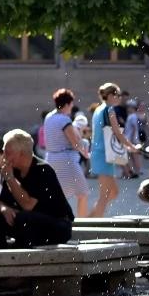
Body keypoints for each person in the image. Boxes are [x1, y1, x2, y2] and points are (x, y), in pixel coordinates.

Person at [0, 130, 74, 249]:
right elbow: (0, 202)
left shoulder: (43, 171)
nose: (4, 157)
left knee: (24, 218)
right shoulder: (13, 170)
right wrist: (4, 209)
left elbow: (28, 205)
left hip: (56, 225)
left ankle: (24, 257)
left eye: (8, 153)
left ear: (21, 154)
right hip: (27, 222)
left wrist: (10, 179)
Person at [88, 83, 138, 218]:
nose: (120, 98)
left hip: (101, 154)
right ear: (110, 96)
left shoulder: (99, 109)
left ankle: (88, 220)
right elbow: (117, 131)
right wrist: (131, 146)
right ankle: (94, 226)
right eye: (118, 95)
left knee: (113, 193)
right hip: (104, 155)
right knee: (105, 196)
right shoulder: (109, 110)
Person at [43, 89, 91, 217]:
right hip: (66, 160)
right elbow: (75, 143)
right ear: (67, 104)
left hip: (51, 159)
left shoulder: (49, 117)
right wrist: (86, 153)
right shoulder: (64, 120)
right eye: (71, 104)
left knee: (58, 194)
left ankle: (57, 219)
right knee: (82, 193)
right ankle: (83, 224)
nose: (71, 107)